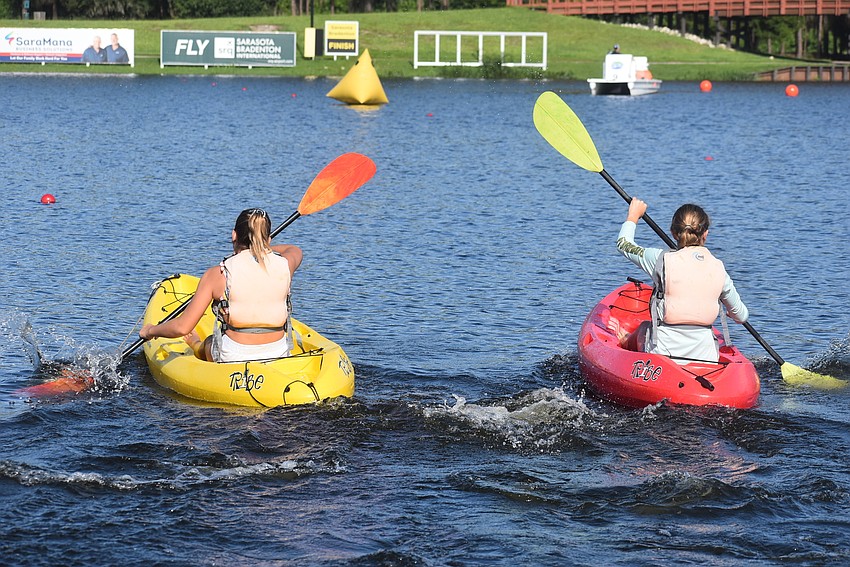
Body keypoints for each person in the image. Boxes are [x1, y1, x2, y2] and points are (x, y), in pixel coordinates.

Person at [139, 208, 302, 362]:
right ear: (268, 239)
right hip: (278, 351)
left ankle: (196, 345)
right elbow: (293, 249)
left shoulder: (218, 274)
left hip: (233, 355)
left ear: (234, 235)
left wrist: (150, 330)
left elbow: (182, 328)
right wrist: (260, 248)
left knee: (210, 342)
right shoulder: (286, 264)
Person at [608, 198, 749, 363]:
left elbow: (623, 244)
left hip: (662, 355)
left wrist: (633, 216)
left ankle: (626, 340)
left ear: (674, 233)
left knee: (642, 329)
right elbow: (742, 315)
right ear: (705, 233)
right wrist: (731, 313)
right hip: (706, 358)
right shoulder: (719, 268)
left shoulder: (659, 259)